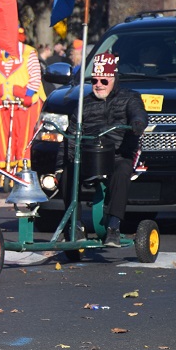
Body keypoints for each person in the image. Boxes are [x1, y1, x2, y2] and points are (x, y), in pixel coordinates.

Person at [63, 52, 147, 247]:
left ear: (114, 79)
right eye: (94, 80)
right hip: (90, 156)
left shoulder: (130, 97)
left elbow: (139, 113)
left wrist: (137, 123)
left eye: (103, 80)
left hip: (117, 155)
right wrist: (64, 163)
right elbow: (71, 134)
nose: (98, 85)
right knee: (68, 172)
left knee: (122, 171)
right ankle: (76, 224)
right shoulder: (84, 103)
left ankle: (113, 226)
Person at [0, 28, 43, 171]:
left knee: (24, 137)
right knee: (3, 137)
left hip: (25, 104)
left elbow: (35, 76)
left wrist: (28, 94)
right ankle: (6, 169)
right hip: (4, 103)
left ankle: (23, 168)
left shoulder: (28, 53)